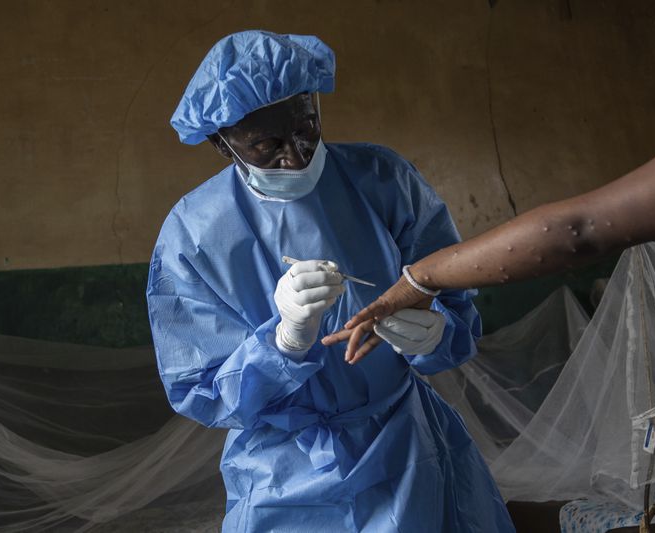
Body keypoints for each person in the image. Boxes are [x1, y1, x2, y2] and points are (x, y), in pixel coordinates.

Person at [147, 30, 515, 532]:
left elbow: (453, 307)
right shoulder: (194, 233)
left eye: (306, 130)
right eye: (266, 146)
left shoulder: (383, 180)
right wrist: (283, 342)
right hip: (283, 470)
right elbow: (200, 389)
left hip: (403, 447)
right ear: (221, 143)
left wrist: (434, 332)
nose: (296, 158)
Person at [323, 141, 655, 364]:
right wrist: (419, 280)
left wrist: (420, 279)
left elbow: (578, 230)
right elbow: (578, 229)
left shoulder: (384, 175)